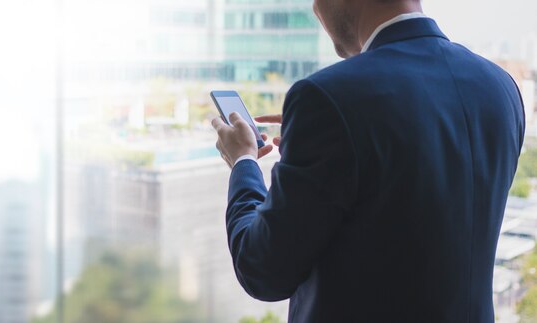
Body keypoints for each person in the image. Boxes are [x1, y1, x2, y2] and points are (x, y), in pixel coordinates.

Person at [211, 0, 526, 321]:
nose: (316, 10)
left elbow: (262, 270)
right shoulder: (501, 88)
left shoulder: (326, 98)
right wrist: (324, 138)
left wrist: (243, 161)